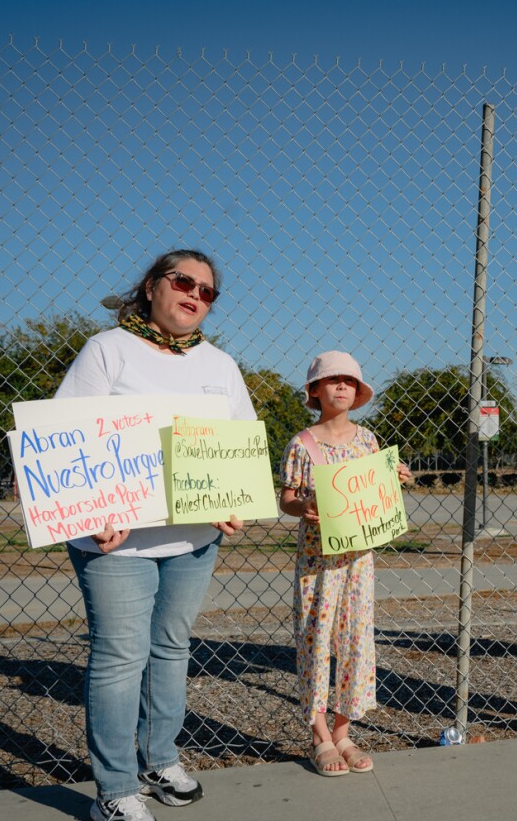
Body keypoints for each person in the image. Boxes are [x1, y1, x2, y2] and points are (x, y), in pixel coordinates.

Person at [56, 249, 254, 821]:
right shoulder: (107, 350)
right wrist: (90, 508)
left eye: (207, 291)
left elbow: (235, 442)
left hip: (193, 538)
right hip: (117, 541)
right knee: (120, 657)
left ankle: (158, 759)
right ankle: (115, 790)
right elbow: (69, 436)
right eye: (183, 282)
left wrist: (233, 498)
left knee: (170, 648)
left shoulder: (219, 365)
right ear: (151, 287)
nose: (195, 295)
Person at [278, 351, 411, 776]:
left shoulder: (368, 440)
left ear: (357, 393)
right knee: (316, 641)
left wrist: (396, 476)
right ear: (315, 390)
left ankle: (343, 731)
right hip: (318, 562)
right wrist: (304, 506)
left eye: (349, 382)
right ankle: (318, 733)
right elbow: (287, 498)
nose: (341, 387)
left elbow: (375, 491)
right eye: (331, 380)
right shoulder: (303, 444)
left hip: (358, 561)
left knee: (355, 641)